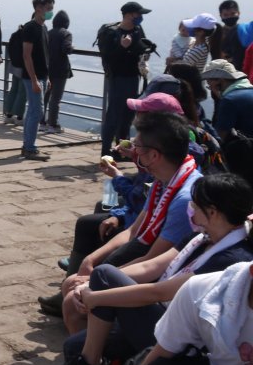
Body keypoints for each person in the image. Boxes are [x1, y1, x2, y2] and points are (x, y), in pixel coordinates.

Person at [50, 173, 253, 365]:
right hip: (159, 314)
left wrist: (98, 295)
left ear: (212, 212)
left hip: (180, 335)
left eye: (195, 206)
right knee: (76, 341)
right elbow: (152, 267)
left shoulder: (233, 258)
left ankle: (91, 364)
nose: (191, 211)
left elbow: (160, 291)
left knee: (103, 275)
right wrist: (90, 285)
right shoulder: (200, 238)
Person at [60, 112, 202, 333]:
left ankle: (91, 356)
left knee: (71, 299)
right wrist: (91, 259)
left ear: (154, 155)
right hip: (144, 259)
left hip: (162, 279)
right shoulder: (164, 181)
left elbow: (153, 261)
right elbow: (134, 230)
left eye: (138, 148)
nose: (134, 153)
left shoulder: (185, 199)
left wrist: (96, 280)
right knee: (73, 283)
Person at [98, 1, 153, 158]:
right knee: (113, 115)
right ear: (129, 15)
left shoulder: (137, 30)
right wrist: (122, 47)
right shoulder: (112, 33)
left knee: (128, 116)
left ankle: (121, 151)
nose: (140, 17)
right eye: (138, 14)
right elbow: (108, 58)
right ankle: (105, 151)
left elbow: (139, 50)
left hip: (133, 77)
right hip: (117, 78)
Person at [20, 0, 55, 161]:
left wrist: (46, 77)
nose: (51, 11)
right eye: (48, 8)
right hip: (32, 76)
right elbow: (27, 55)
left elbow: (45, 55)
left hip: (41, 75)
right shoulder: (30, 28)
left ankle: (27, 145)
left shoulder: (44, 28)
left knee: (33, 110)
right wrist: (34, 79)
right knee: (36, 111)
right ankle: (29, 147)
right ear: (39, 8)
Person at [202, 60, 253, 136]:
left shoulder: (229, 100)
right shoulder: (249, 91)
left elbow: (221, 136)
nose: (209, 85)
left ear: (219, 80)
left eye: (209, 81)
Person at [45, 10, 74, 133]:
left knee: (45, 97)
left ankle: (42, 122)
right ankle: (53, 124)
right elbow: (66, 48)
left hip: (47, 68)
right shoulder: (66, 34)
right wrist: (71, 48)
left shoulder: (48, 33)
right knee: (56, 98)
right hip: (60, 70)